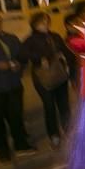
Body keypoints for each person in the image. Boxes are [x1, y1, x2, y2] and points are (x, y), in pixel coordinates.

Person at [21, 12, 78, 149]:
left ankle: (69, 131)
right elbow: (23, 55)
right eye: (42, 22)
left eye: (47, 21)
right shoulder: (30, 40)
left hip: (60, 75)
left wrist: (70, 65)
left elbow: (67, 52)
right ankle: (54, 135)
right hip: (43, 80)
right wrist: (39, 58)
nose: (45, 24)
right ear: (35, 24)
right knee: (49, 106)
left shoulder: (55, 36)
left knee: (64, 105)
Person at [0, 12, 36, 163]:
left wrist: (19, 65)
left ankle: (21, 145)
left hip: (13, 85)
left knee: (16, 117)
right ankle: (2, 150)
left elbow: (22, 56)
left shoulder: (10, 38)